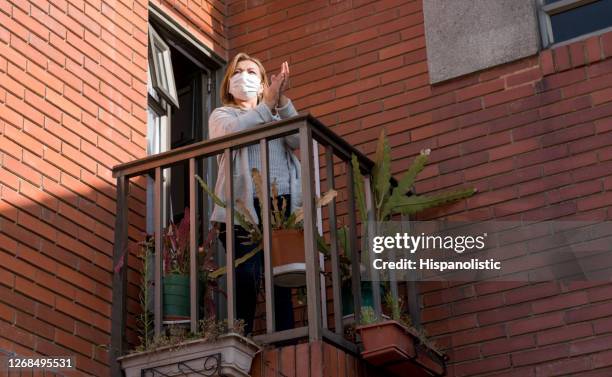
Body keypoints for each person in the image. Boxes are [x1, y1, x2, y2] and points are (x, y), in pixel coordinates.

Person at [208, 52, 302, 334]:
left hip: (279, 206)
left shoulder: (275, 114)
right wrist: (268, 104)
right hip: (241, 208)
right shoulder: (223, 115)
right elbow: (235, 131)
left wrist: (281, 99)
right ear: (228, 84)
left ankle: (286, 341)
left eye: (251, 72)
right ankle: (241, 336)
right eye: (238, 72)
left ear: (263, 85)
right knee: (246, 275)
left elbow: (296, 137)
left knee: (280, 280)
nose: (244, 77)